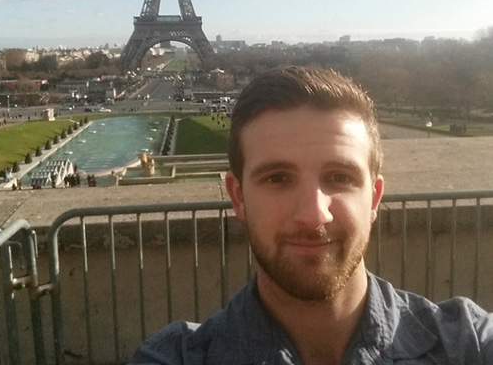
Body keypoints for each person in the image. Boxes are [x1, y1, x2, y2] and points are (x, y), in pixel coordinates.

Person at [128, 66, 493, 364]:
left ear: (374, 198)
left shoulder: (472, 340)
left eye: (339, 177)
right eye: (278, 178)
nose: (313, 214)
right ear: (238, 197)